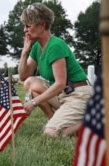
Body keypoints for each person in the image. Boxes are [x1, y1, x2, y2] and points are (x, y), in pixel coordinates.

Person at [18, 3, 93, 137]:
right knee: (30, 83)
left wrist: (33, 102)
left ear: (42, 25)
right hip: (62, 95)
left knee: (50, 134)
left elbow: (60, 84)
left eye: (28, 26)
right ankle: (53, 121)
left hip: (78, 94)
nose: (25, 30)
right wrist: (24, 53)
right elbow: (24, 76)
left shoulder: (55, 45)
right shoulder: (36, 47)